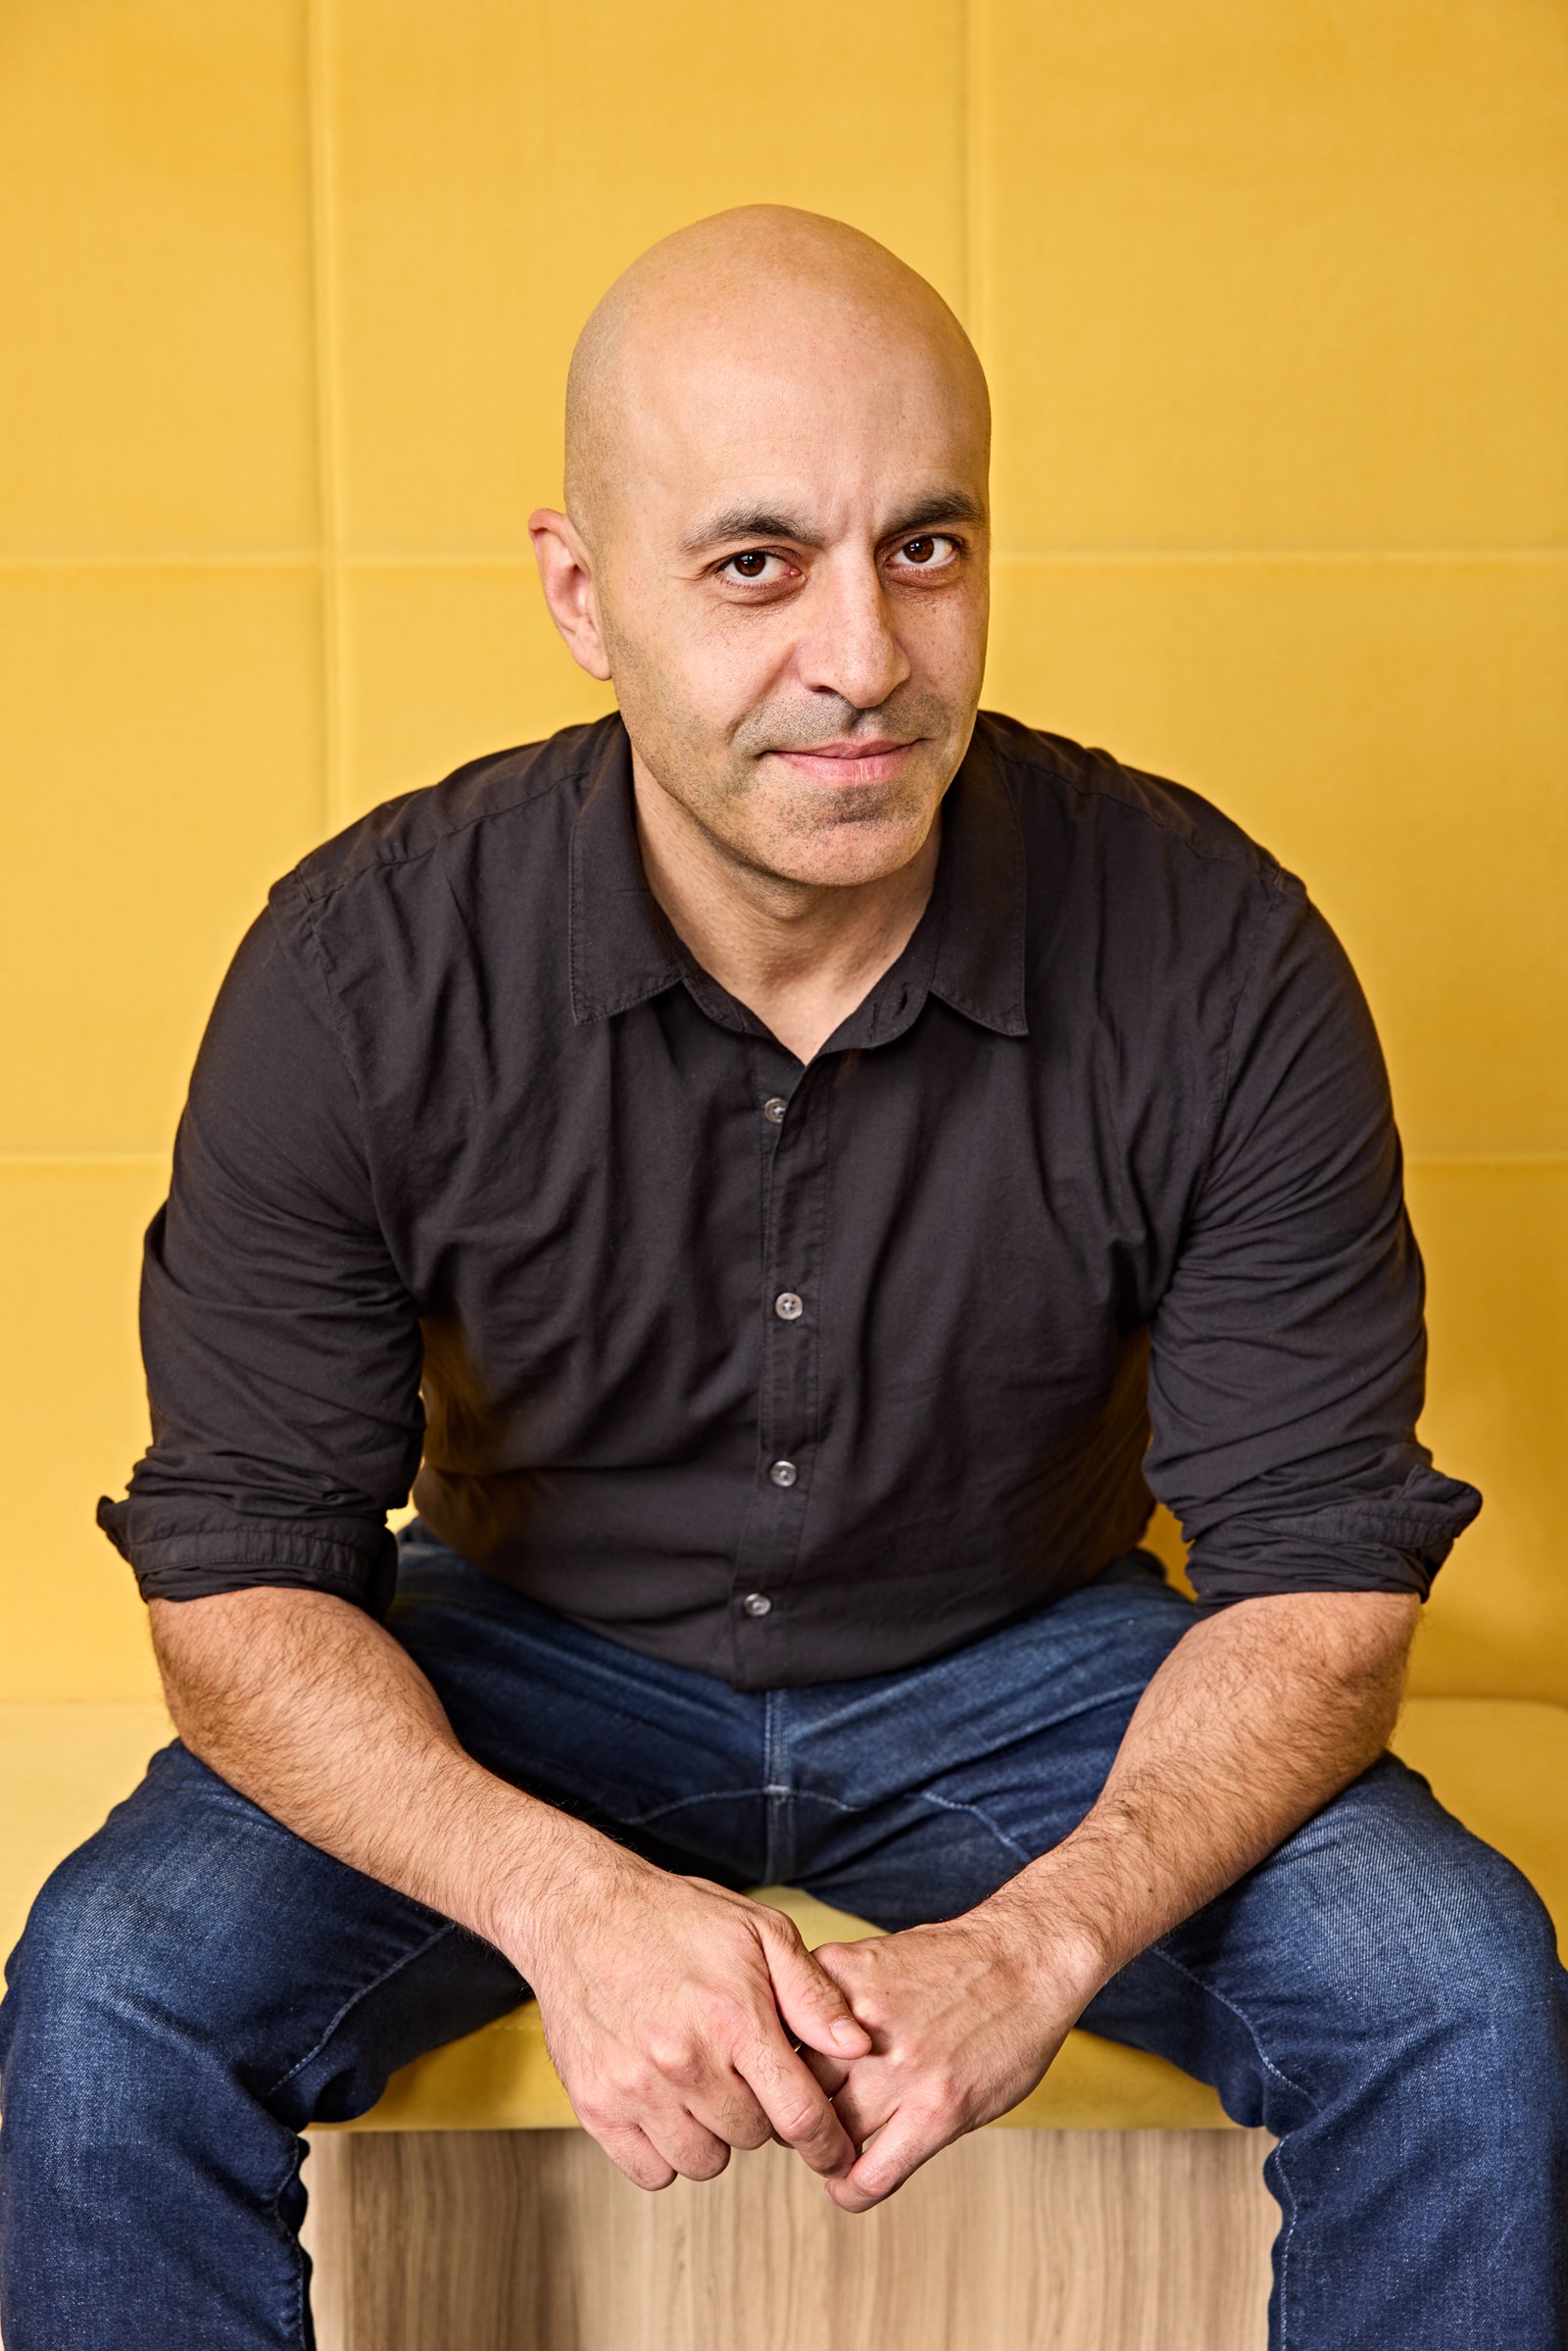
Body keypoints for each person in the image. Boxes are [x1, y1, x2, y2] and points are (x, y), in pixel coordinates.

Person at [0, 205, 1562, 2351]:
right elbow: (236, 1584)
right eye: (754, 565)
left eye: (924, 547)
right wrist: (566, 1905)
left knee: (1448, 1986)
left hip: (1029, 1659)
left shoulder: (1214, 950)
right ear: (582, 594)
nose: (862, 655)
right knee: (115, 1986)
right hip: (521, 1665)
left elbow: (1312, 1583)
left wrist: (1029, 1948)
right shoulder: (363, 967)